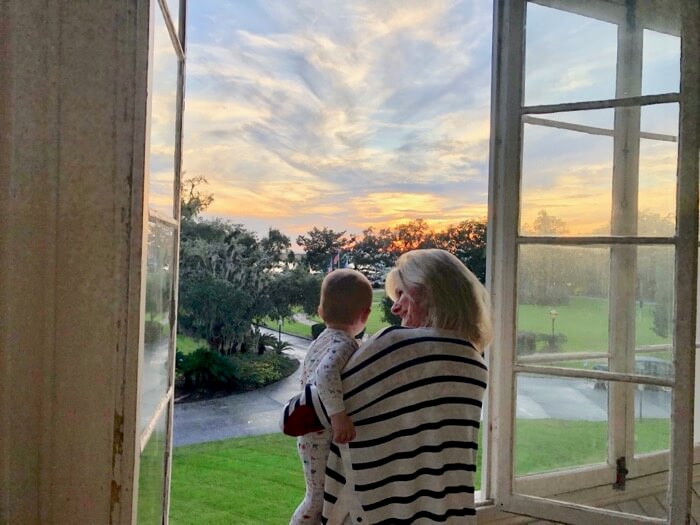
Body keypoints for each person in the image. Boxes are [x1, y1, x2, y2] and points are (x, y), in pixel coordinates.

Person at [282, 249, 492, 525]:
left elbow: (295, 419)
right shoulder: (475, 365)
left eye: (403, 294)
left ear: (429, 293)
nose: (395, 307)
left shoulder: (394, 347)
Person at [290, 269, 373, 525]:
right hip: (319, 434)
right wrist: (339, 417)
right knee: (316, 499)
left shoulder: (322, 340)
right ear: (365, 314)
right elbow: (325, 374)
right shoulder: (344, 343)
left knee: (321, 496)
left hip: (309, 431)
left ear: (320, 312)